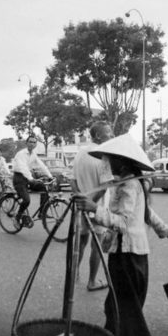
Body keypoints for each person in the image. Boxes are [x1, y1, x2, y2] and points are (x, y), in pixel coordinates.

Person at [73, 133, 168, 336]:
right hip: (134, 255)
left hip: (127, 256)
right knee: (118, 306)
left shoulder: (129, 185)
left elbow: (125, 223)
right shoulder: (128, 183)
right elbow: (147, 213)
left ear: (123, 161)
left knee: (124, 310)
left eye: (112, 160)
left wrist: (94, 209)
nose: (108, 164)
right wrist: (166, 231)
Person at [71, 121, 114, 292]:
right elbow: (105, 187)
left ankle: (74, 274)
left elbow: (72, 180)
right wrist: (92, 204)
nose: (111, 135)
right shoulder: (103, 156)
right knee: (96, 245)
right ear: (97, 136)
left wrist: (80, 200)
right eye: (109, 132)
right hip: (97, 208)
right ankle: (92, 281)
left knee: (80, 243)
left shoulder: (80, 153)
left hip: (82, 207)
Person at [12, 135, 52, 226]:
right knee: (26, 200)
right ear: (26, 143)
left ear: (36, 144)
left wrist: (50, 175)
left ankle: (42, 213)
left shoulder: (33, 153)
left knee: (43, 187)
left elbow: (41, 164)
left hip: (28, 178)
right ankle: (17, 218)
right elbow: (23, 168)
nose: (32, 144)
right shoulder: (21, 154)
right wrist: (30, 179)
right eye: (30, 142)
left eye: (34, 142)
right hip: (19, 179)